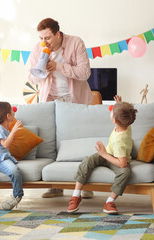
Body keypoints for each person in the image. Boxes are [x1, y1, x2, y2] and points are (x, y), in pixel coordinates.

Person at [28, 17, 94, 199]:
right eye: (41, 38)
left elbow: (84, 72)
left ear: (58, 34)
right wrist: (42, 73)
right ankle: (56, 185)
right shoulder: (37, 48)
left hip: (75, 100)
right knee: (53, 144)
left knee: (79, 144)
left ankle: (86, 184)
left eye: (47, 38)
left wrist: (58, 66)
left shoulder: (76, 43)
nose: (44, 42)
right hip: (50, 100)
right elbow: (31, 77)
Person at [67, 95, 138, 214]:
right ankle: (76, 195)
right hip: (108, 153)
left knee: (125, 172)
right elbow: (124, 114)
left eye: (112, 112)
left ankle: (109, 202)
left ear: (114, 120)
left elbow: (122, 164)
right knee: (88, 161)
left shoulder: (120, 140)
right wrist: (119, 104)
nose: (110, 112)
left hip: (116, 159)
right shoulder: (126, 124)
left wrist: (104, 154)